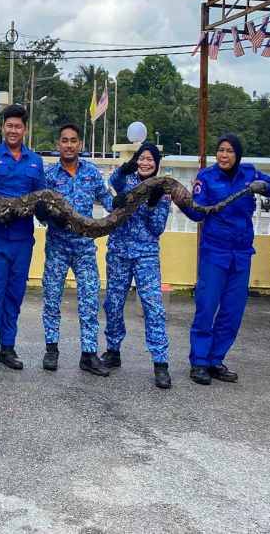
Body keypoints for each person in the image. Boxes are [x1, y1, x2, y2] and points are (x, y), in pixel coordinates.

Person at [182, 134, 270, 385]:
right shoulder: (206, 177)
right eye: (220, 150)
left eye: (229, 151)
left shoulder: (249, 173)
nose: (224, 155)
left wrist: (265, 186)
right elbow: (197, 214)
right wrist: (181, 200)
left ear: (237, 155)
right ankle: (199, 362)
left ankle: (215, 360)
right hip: (214, 253)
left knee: (232, 312)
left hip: (241, 254)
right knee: (206, 308)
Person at [0, 104, 45, 373]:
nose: (13, 130)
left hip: (22, 240)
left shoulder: (35, 161)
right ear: (3, 128)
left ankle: (8, 348)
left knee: (14, 296)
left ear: (25, 130)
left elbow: (41, 201)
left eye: (18, 126)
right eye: (9, 125)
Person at [39, 123, 114, 376]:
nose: (69, 145)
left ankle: (89, 354)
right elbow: (40, 210)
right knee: (51, 299)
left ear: (80, 144)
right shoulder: (49, 176)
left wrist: (124, 203)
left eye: (73, 140)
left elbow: (107, 200)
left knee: (89, 301)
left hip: (84, 248)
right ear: (58, 144)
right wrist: (49, 215)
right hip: (57, 246)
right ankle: (51, 349)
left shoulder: (91, 172)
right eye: (64, 140)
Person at [101, 142, 172, 389]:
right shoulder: (128, 180)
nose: (145, 162)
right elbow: (113, 180)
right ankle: (113, 350)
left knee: (153, 307)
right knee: (113, 304)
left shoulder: (162, 190)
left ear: (156, 164)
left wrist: (152, 205)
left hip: (146, 256)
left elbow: (157, 229)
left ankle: (160, 363)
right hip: (119, 253)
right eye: (142, 158)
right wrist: (126, 167)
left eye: (150, 159)